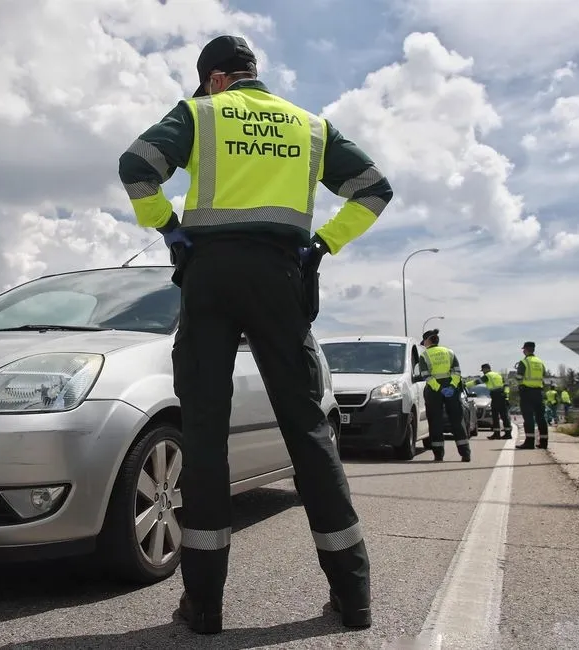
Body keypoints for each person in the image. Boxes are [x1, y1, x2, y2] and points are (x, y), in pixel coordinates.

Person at [118, 34, 393, 635]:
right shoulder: (312, 127)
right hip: (281, 276)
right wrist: (323, 244)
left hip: (210, 278)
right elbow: (375, 188)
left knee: (205, 435)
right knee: (310, 432)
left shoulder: (200, 113)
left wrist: (169, 228)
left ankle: (205, 606)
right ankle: (354, 598)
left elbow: (137, 167)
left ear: (215, 79)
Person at [418, 329, 471, 462]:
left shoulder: (425, 355)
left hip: (434, 391)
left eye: (424, 341)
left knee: (435, 421)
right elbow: (457, 372)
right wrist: (452, 387)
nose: (423, 344)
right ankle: (465, 454)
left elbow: (426, 376)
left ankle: (438, 455)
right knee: (457, 420)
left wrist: (439, 389)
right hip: (452, 389)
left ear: (428, 340)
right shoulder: (449, 352)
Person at [516, 341, 549, 449]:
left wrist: (519, 381)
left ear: (525, 350)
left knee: (528, 418)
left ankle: (529, 442)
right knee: (541, 418)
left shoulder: (524, 362)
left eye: (523, 349)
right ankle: (544, 443)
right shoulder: (540, 362)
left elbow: (519, 377)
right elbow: (544, 375)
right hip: (539, 392)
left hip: (527, 392)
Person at [480, 363, 512, 440]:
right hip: (502, 396)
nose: (483, 372)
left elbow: (476, 382)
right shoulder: (499, 375)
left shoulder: (487, 376)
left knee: (495, 416)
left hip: (495, 396)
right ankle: (508, 434)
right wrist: (507, 397)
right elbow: (506, 386)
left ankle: (497, 434)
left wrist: (465, 384)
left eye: (483, 370)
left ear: (486, 369)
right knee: (504, 416)